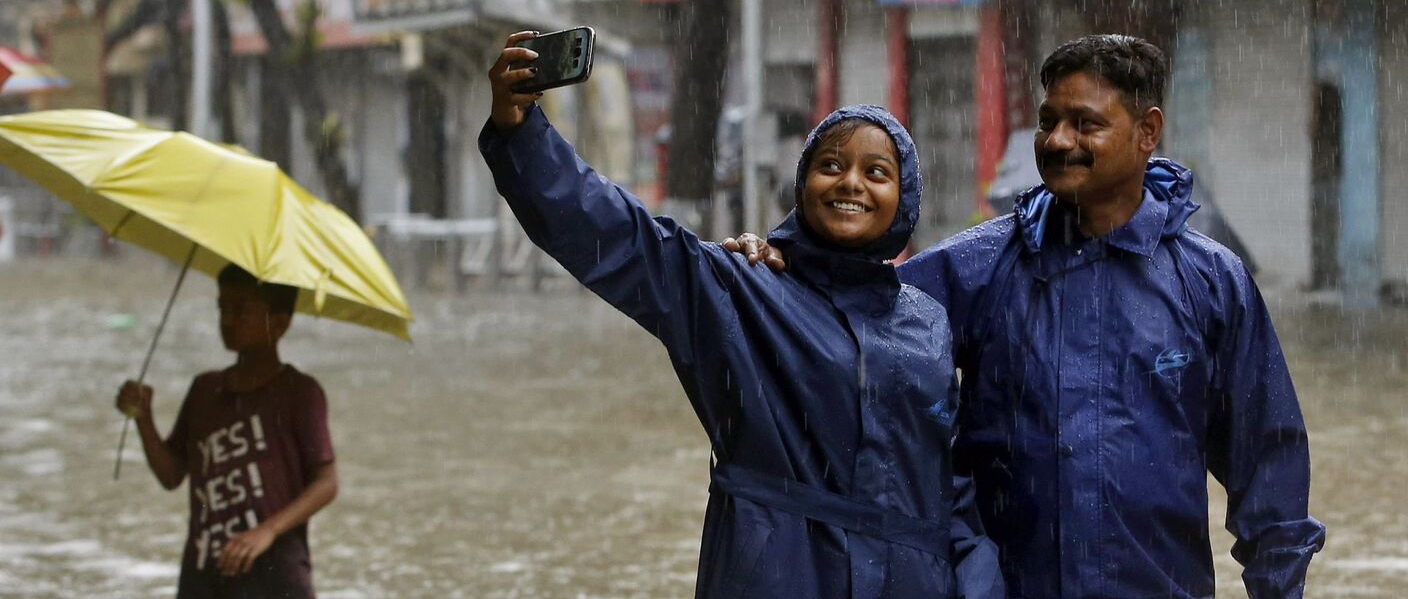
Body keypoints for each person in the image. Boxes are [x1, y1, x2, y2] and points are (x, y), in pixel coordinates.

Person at [726, 34, 1325, 598]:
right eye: (1048, 122)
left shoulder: (1212, 283)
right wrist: (782, 261)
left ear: (1147, 132)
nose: (1059, 140)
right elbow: (850, 332)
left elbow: (1267, 468)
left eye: (1085, 123)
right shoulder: (977, 267)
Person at [478, 31, 1002, 598]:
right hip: (776, 574)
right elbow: (620, 238)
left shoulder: (927, 323)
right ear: (802, 187)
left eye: (877, 173)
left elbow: (951, 488)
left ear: (905, 200)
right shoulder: (741, 290)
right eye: (831, 164)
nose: (851, 182)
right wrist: (522, 131)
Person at [114, 265, 339, 598]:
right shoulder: (205, 389)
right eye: (223, 307)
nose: (228, 320)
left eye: (242, 310)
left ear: (280, 323)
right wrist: (143, 418)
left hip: (276, 576)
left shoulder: (299, 393)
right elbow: (172, 474)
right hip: (204, 575)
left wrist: (267, 531)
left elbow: (326, 483)